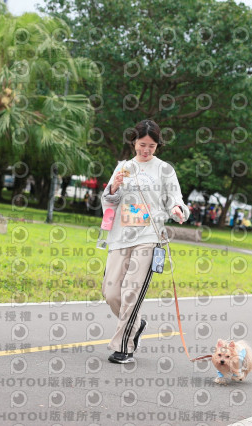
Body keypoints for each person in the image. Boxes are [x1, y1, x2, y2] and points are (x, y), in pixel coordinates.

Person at [100, 119, 190, 364]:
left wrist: (177, 209)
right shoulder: (123, 167)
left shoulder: (164, 170)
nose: (146, 150)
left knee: (132, 292)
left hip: (149, 236)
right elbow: (108, 201)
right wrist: (113, 188)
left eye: (151, 145)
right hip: (121, 236)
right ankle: (136, 324)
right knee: (111, 292)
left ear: (158, 145)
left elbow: (175, 199)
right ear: (134, 142)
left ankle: (124, 347)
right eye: (142, 144)